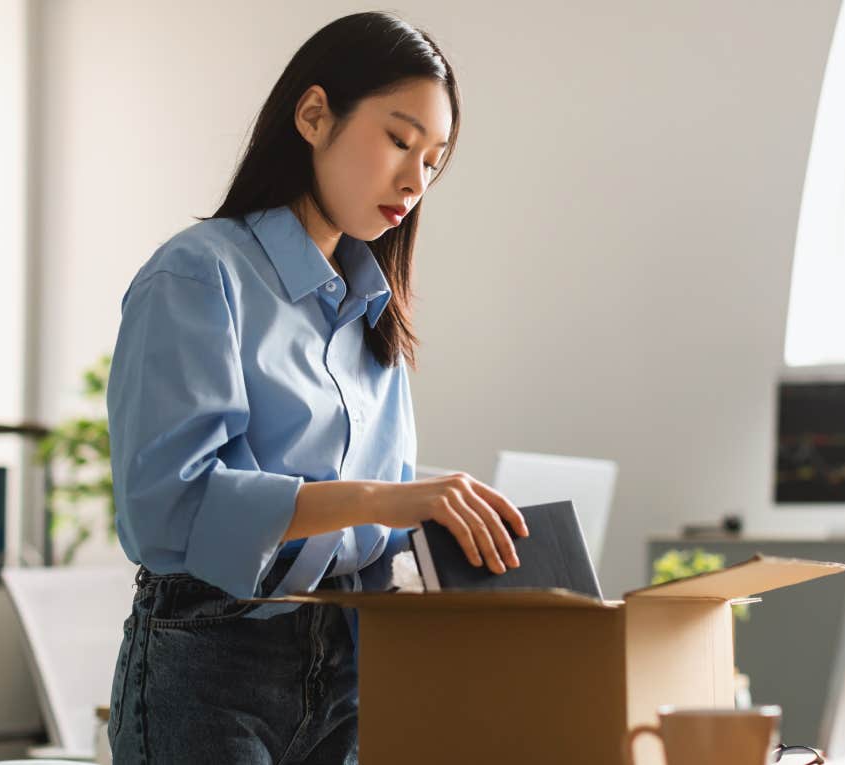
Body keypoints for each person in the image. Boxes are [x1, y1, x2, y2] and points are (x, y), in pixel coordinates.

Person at [104, 11, 528, 764]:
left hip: (345, 665)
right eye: (400, 140)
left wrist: (452, 517)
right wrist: (386, 497)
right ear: (313, 114)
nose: (414, 180)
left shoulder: (376, 315)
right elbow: (165, 507)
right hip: (209, 661)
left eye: (433, 160)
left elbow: (383, 511)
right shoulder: (199, 274)